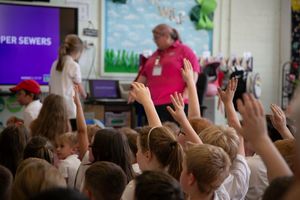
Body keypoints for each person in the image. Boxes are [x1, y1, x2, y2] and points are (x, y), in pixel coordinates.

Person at [129, 23, 200, 123]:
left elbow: (193, 75)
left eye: (156, 38)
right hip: (153, 104)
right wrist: (134, 91)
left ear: (167, 36)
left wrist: (186, 95)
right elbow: (144, 75)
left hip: (175, 104)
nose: (154, 41)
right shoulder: (155, 54)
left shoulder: (184, 50)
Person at [49, 34, 86, 130]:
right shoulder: (74, 65)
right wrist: (85, 95)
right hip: (69, 111)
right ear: (78, 51)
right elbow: (80, 88)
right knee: (71, 138)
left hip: (55, 108)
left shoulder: (54, 64)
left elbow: (50, 87)